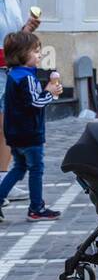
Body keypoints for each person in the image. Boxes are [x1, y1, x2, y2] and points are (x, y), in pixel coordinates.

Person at [0, 32, 62, 221]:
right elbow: (34, 103)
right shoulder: (26, 77)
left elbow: (27, 101)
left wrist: (48, 91)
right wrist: (50, 93)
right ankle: (36, 208)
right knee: (36, 169)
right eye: (35, 51)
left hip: (15, 133)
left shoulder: (15, 75)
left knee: (19, 168)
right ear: (21, 54)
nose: (40, 55)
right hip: (29, 133)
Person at [0, 0, 41, 175]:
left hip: (11, 71)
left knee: (8, 127)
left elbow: (13, 36)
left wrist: (27, 30)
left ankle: (3, 177)